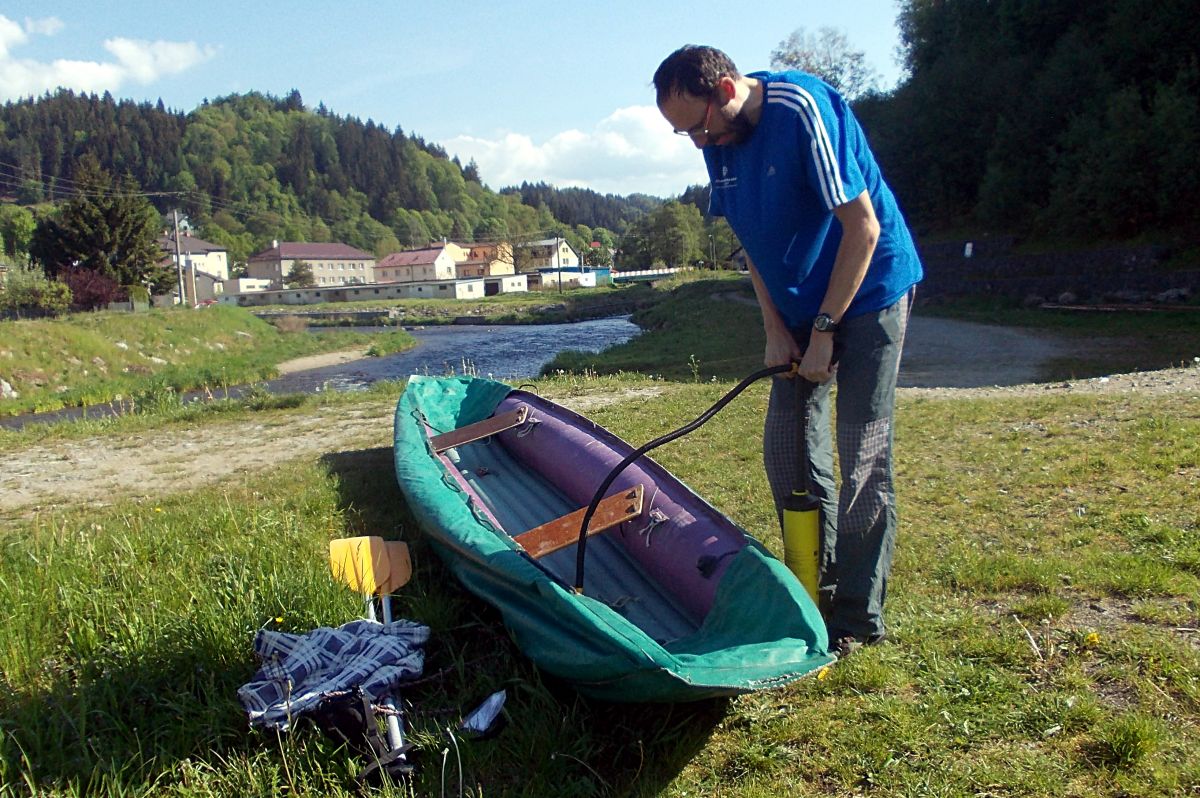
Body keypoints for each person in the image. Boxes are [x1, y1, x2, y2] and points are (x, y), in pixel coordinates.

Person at [653, 45, 923, 655]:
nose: (698, 142)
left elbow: (864, 227)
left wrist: (827, 328)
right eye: (682, 134)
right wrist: (776, 328)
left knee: (861, 457)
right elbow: (752, 245)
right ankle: (812, 589)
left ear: (726, 90)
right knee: (786, 450)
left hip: (871, 290)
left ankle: (856, 617)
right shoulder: (718, 147)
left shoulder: (800, 107)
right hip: (800, 310)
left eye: (697, 126)